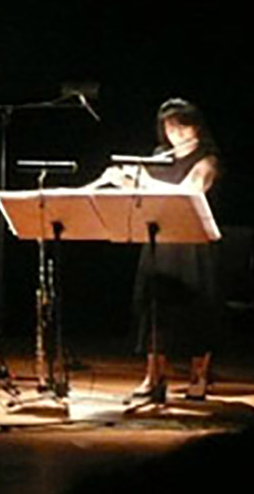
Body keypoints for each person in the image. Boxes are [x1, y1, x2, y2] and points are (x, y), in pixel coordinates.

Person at [93, 98, 220, 401]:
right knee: (153, 307)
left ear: (197, 126)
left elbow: (189, 193)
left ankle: (198, 375)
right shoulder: (159, 156)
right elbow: (145, 199)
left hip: (193, 244)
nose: (175, 132)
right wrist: (124, 181)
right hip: (159, 240)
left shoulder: (208, 158)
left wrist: (143, 179)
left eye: (181, 125)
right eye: (169, 126)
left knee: (194, 309)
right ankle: (153, 376)